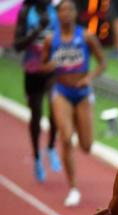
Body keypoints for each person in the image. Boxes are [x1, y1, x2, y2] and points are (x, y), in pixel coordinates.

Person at [41, 0, 106, 207]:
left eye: (70, 10)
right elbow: (42, 66)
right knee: (66, 138)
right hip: (61, 92)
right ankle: (73, 188)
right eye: (63, 10)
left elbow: (102, 62)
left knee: (86, 146)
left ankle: (78, 122)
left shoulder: (86, 36)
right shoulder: (51, 40)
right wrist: (49, 66)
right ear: (57, 15)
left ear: (75, 13)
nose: (66, 14)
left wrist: (90, 77)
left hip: (83, 93)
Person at [13, 0, 61, 183]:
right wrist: (36, 31)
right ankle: (37, 158)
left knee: (56, 107)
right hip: (33, 69)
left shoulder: (56, 10)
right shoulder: (26, 12)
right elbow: (17, 46)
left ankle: (50, 146)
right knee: (36, 113)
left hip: (53, 68)